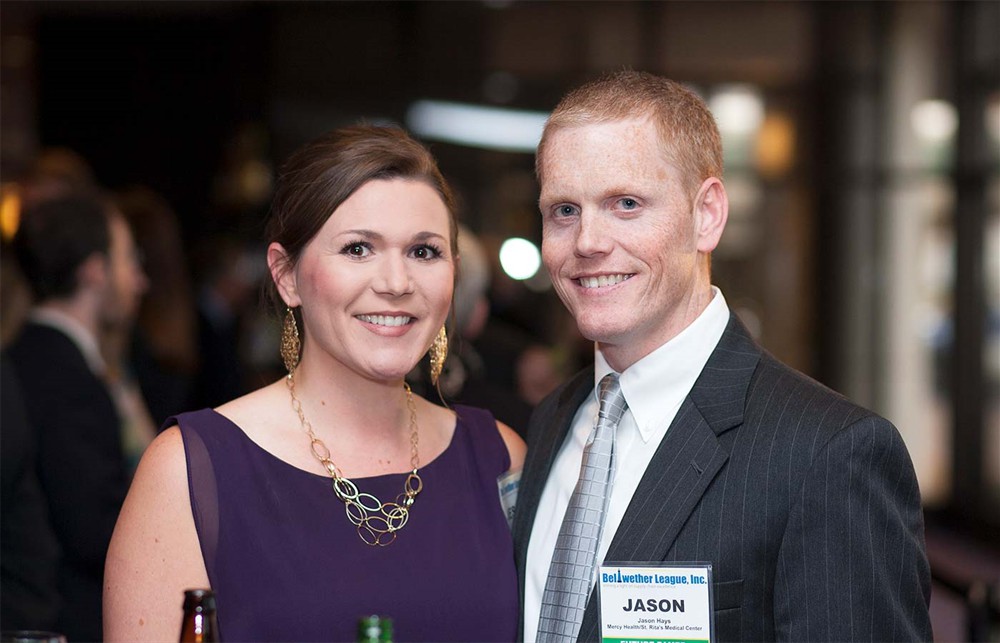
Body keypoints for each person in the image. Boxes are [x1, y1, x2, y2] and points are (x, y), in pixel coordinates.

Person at [513, 71, 932, 642]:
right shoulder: (553, 420)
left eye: (626, 203)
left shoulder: (829, 455)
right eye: (564, 210)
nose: (587, 241)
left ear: (707, 214)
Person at [104, 125, 526, 642]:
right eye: (357, 249)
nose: (396, 282)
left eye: (424, 252)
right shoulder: (192, 469)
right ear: (286, 275)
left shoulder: (498, 457)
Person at [7, 191, 148, 642]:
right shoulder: (65, 375)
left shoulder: (27, 353)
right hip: (63, 619)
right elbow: (91, 528)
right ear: (93, 271)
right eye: (127, 260)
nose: (138, 281)